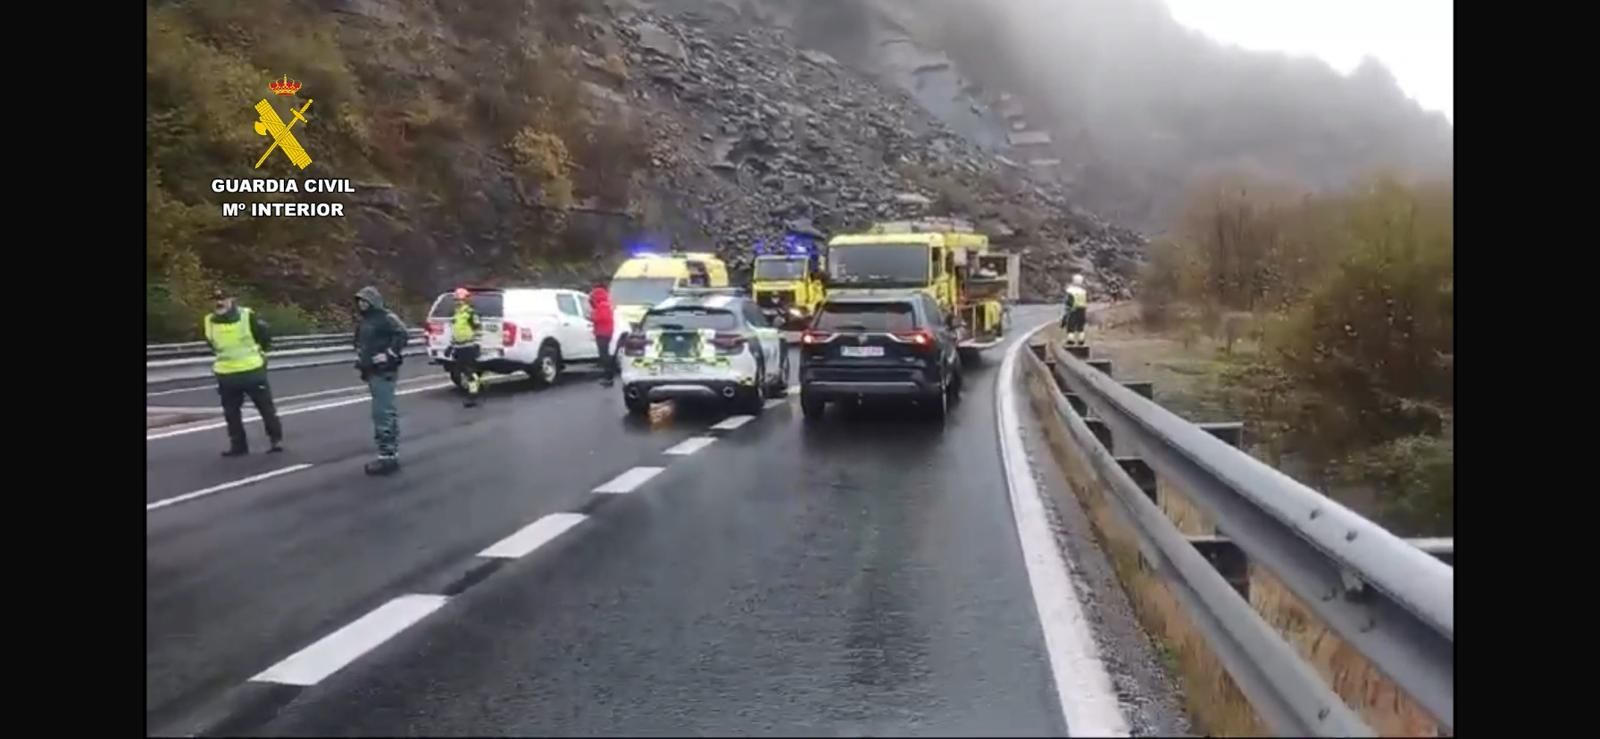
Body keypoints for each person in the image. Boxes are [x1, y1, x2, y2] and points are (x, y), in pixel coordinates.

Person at [205, 289, 284, 456]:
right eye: (215, 299)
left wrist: (260, 352)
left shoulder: (247, 316)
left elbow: (264, 335)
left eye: (223, 299)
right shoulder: (208, 321)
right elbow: (211, 344)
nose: (219, 302)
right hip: (227, 374)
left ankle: (276, 440)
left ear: (232, 299)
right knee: (231, 413)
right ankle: (238, 446)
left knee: (265, 408)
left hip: (252, 371)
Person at [353, 286, 409, 475]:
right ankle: (388, 454)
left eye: (365, 300)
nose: (361, 304)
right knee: (382, 412)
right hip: (371, 371)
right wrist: (361, 359)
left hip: (384, 371)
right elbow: (361, 343)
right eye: (359, 300)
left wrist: (389, 354)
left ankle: (388, 456)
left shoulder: (386, 317)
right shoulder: (365, 321)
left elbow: (402, 334)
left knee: (383, 413)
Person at [448, 287, 483, 407]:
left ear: (466, 300)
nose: (458, 302)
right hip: (459, 347)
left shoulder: (470, 313)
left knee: (470, 371)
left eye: (460, 300)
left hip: (469, 346)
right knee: (459, 371)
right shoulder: (456, 314)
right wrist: (451, 346)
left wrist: (477, 343)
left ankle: (473, 395)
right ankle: (472, 389)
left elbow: (478, 328)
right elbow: (456, 331)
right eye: (456, 300)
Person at [588, 282, 616, 387]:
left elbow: (601, 318)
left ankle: (608, 377)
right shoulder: (606, 304)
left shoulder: (602, 306)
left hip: (603, 333)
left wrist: (593, 317)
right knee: (604, 354)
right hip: (605, 332)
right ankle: (608, 376)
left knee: (604, 355)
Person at [1063, 273, 1089, 345]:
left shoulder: (1070, 290)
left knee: (1071, 324)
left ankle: (1070, 339)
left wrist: (1067, 309)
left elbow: (1068, 301)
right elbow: (1086, 300)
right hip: (1082, 309)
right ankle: (1081, 340)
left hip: (1073, 309)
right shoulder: (1083, 291)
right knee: (1080, 325)